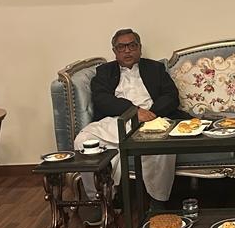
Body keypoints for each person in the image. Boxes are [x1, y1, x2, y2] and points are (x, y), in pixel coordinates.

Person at [74, 29, 187, 208]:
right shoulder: (104, 72)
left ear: (139, 48)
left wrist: (151, 113)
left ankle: (158, 201)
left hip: (153, 120)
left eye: (132, 46)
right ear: (114, 51)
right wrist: (134, 112)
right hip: (116, 120)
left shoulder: (155, 69)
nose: (127, 51)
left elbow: (171, 95)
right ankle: (99, 200)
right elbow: (101, 98)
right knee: (83, 141)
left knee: (164, 145)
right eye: (121, 47)